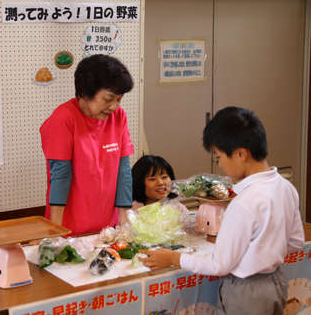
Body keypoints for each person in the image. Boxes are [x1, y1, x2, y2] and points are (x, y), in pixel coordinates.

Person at [139, 106, 305, 314]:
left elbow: (220, 265)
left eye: (219, 158)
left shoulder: (244, 202)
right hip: (275, 282)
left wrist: (173, 258)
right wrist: (263, 252)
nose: (220, 165)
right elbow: (296, 241)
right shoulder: (286, 187)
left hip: (246, 291)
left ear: (241, 154)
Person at [39, 54, 134, 237]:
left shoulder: (118, 116)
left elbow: (123, 170)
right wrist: (55, 231)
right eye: (108, 99)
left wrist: (124, 223)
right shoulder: (63, 119)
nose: (114, 106)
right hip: (68, 227)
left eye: (119, 100)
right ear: (85, 92)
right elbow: (60, 175)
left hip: (108, 227)